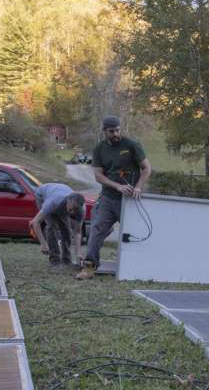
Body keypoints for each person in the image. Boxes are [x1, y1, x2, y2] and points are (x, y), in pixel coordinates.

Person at [75, 115, 152, 280]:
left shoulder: (132, 145)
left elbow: (146, 168)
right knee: (96, 230)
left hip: (130, 200)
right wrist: (117, 186)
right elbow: (98, 176)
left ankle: (140, 268)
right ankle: (89, 267)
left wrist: (138, 186)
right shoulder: (99, 149)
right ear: (104, 131)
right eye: (112, 131)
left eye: (117, 130)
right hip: (108, 199)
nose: (116, 133)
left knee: (135, 232)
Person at [29, 183, 86, 271]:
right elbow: (35, 222)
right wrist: (43, 244)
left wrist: (78, 253)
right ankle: (54, 261)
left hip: (59, 195)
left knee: (66, 230)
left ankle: (67, 260)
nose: (72, 213)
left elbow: (77, 232)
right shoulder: (52, 202)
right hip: (43, 195)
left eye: (75, 210)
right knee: (52, 226)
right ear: (68, 201)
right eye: (71, 209)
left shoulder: (81, 211)